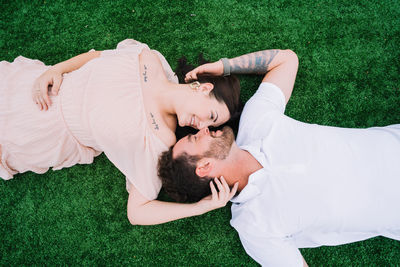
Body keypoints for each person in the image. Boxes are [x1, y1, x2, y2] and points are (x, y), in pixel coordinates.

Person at [157, 48, 400, 266]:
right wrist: (200, 207)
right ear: (204, 167)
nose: (201, 130)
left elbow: (286, 60)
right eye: (193, 139)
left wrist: (224, 67)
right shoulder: (254, 226)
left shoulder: (257, 122)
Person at [0, 39, 241, 225]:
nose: (200, 126)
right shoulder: (148, 58)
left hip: (37, 132)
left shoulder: (159, 140)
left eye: (208, 127)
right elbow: (96, 57)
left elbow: (137, 212)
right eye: (210, 115)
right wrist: (56, 69)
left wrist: (199, 208)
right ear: (203, 88)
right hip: (31, 86)